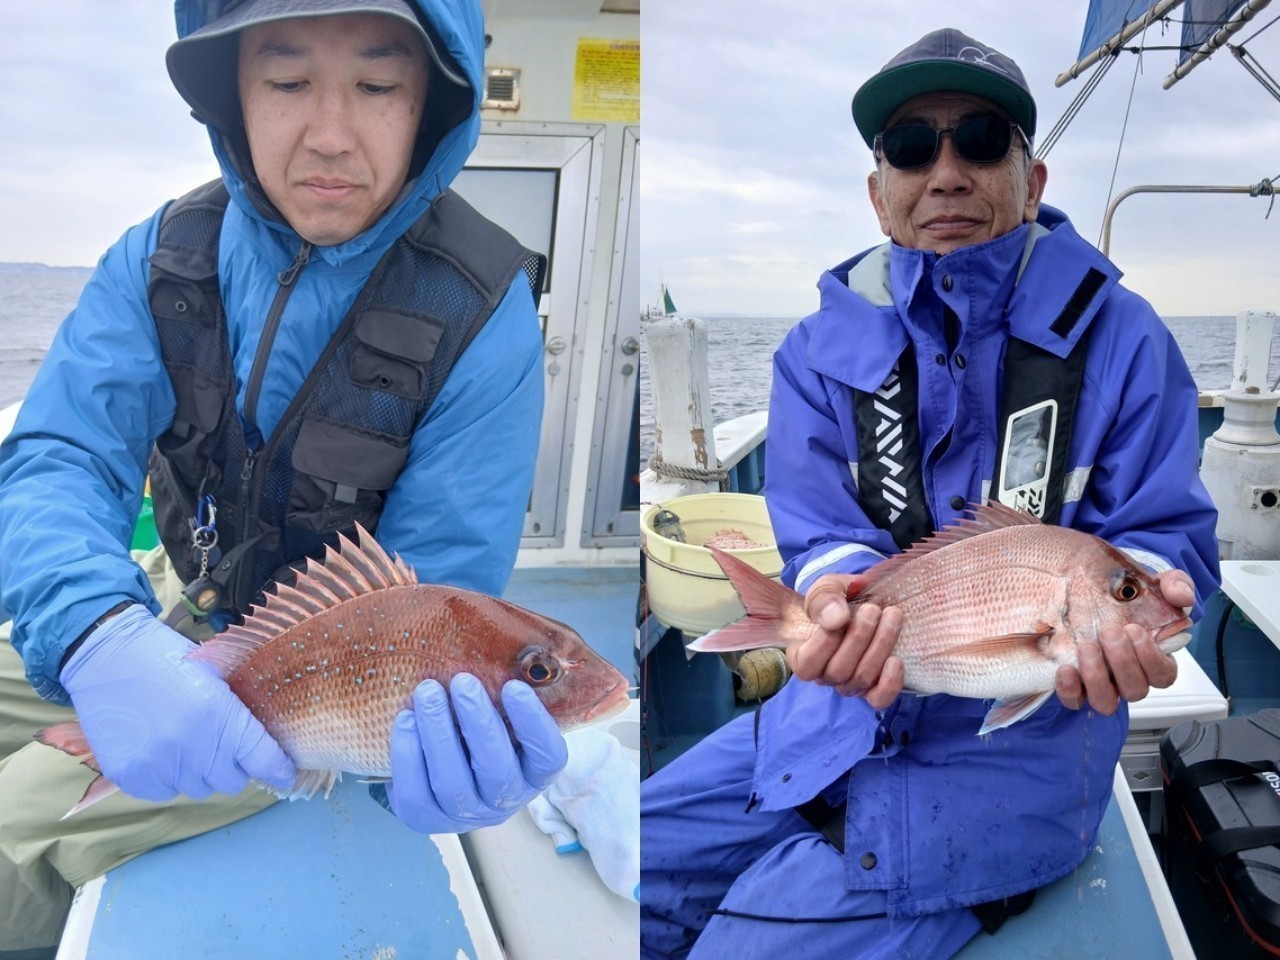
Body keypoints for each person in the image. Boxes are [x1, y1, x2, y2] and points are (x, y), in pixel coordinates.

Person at [640, 27, 1220, 959]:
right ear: (880, 194)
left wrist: (1142, 591)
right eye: (912, 147)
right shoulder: (815, 352)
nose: (945, 172)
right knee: (634, 866)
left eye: (982, 139)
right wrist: (831, 600)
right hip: (823, 714)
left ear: (1033, 179)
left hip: (1004, 773)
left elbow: (1163, 539)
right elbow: (819, 527)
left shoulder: (1127, 341)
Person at [0, 1, 562, 955]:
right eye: (289, 80)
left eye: (379, 85)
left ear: (431, 101)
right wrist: (95, 632)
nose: (330, 134)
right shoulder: (160, 252)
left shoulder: (482, 311)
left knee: (13, 842)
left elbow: (434, 606)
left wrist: (411, 769)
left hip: (316, 687)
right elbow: (58, 454)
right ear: (236, 97)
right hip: (161, 606)